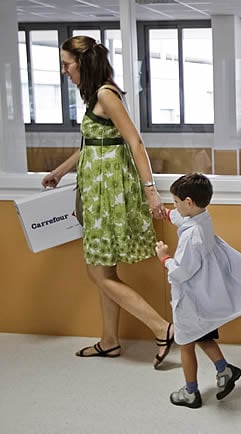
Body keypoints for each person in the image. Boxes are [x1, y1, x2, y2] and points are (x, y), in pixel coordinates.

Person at [41, 35, 173, 367]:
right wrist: (59, 171)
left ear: (82, 64)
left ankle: (162, 327)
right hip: (98, 194)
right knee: (106, 270)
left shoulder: (105, 94)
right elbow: (91, 144)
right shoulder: (93, 98)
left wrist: (151, 191)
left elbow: (135, 143)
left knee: (99, 274)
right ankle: (110, 341)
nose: (63, 71)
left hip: (110, 197)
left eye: (66, 64)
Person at [155, 173, 241, 408]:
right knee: (202, 334)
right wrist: (165, 213)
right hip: (203, 296)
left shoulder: (191, 237)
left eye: (175, 202)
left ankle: (190, 392)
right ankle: (224, 370)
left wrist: (164, 258)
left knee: (185, 344)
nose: (173, 206)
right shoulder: (202, 218)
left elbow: (182, 271)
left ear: (188, 202)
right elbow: (181, 219)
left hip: (191, 298)